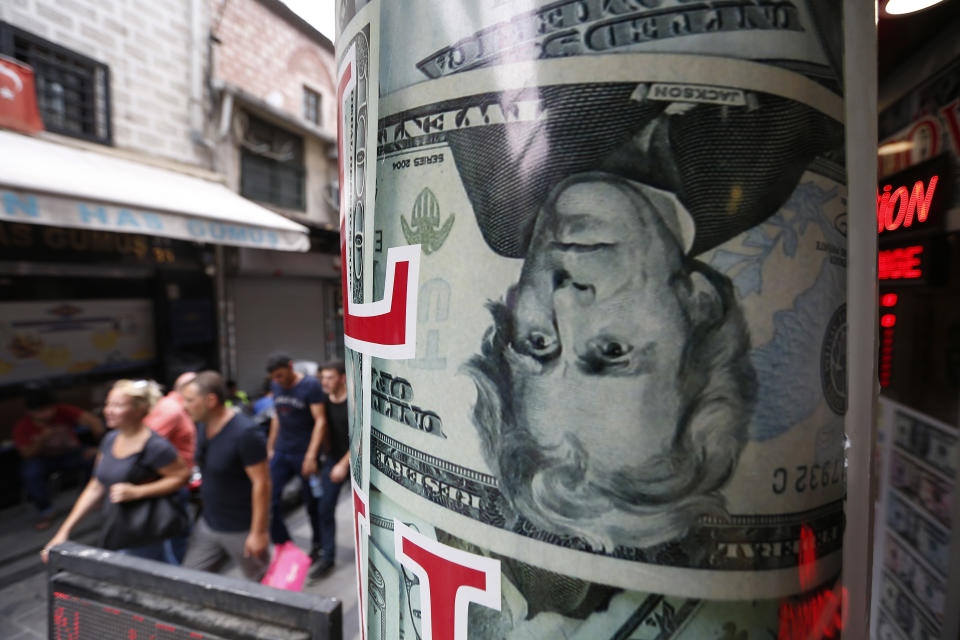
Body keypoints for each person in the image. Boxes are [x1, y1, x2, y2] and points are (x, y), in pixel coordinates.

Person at [464, 173, 756, 549]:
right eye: (612, 351)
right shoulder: (768, 153)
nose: (565, 300)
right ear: (698, 307)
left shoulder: (498, 196)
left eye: (537, 343)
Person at [41, 380, 190, 562]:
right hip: (118, 526)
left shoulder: (155, 446)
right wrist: (63, 533)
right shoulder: (110, 440)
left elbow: (181, 476)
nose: (108, 411)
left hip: (143, 530)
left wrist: (138, 491)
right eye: (108, 404)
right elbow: (96, 485)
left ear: (139, 409)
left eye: (118, 405)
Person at [180, 371, 271, 581]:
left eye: (190, 400)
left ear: (210, 400)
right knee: (189, 579)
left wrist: (258, 533)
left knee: (265, 587)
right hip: (209, 523)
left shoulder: (245, 433)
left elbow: (262, 483)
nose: (185, 406)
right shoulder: (202, 425)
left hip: (242, 528)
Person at [14, 385, 104, 530]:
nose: (46, 414)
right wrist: (42, 439)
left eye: (49, 409)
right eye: (40, 411)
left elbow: (95, 423)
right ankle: (46, 510)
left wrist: (99, 447)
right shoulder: (23, 426)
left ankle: (90, 498)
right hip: (42, 459)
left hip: (70, 453)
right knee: (30, 472)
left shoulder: (62, 411)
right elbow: (26, 454)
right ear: (30, 412)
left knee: (96, 457)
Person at [265, 352, 327, 559]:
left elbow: (320, 420)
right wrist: (271, 447)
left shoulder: (310, 386)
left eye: (281, 375)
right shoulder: (275, 386)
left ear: (290, 367)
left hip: (304, 452)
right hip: (282, 451)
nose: (278, 381)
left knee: (312, 503)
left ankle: (319, 544)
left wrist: (311, 456)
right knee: (269, 498)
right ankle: (283, 544)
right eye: (274, 377)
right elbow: (277, 417)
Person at [143, 371, 198, 564]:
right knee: (177, 534)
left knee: (180, 531)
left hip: (178, 482)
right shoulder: (171, 410)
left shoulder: (178, 407)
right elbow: (146, 443)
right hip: (171, 485)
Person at [309, 360, 350, 578]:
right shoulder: (323, 402)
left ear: (343, 378)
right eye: (322, 378)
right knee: (324, 509)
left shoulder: (353, 401)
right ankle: (327, 558)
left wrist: (344, 464)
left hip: (354, 462)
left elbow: (360, 437)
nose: (325, 382)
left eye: (330, 377)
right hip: (333, 460)